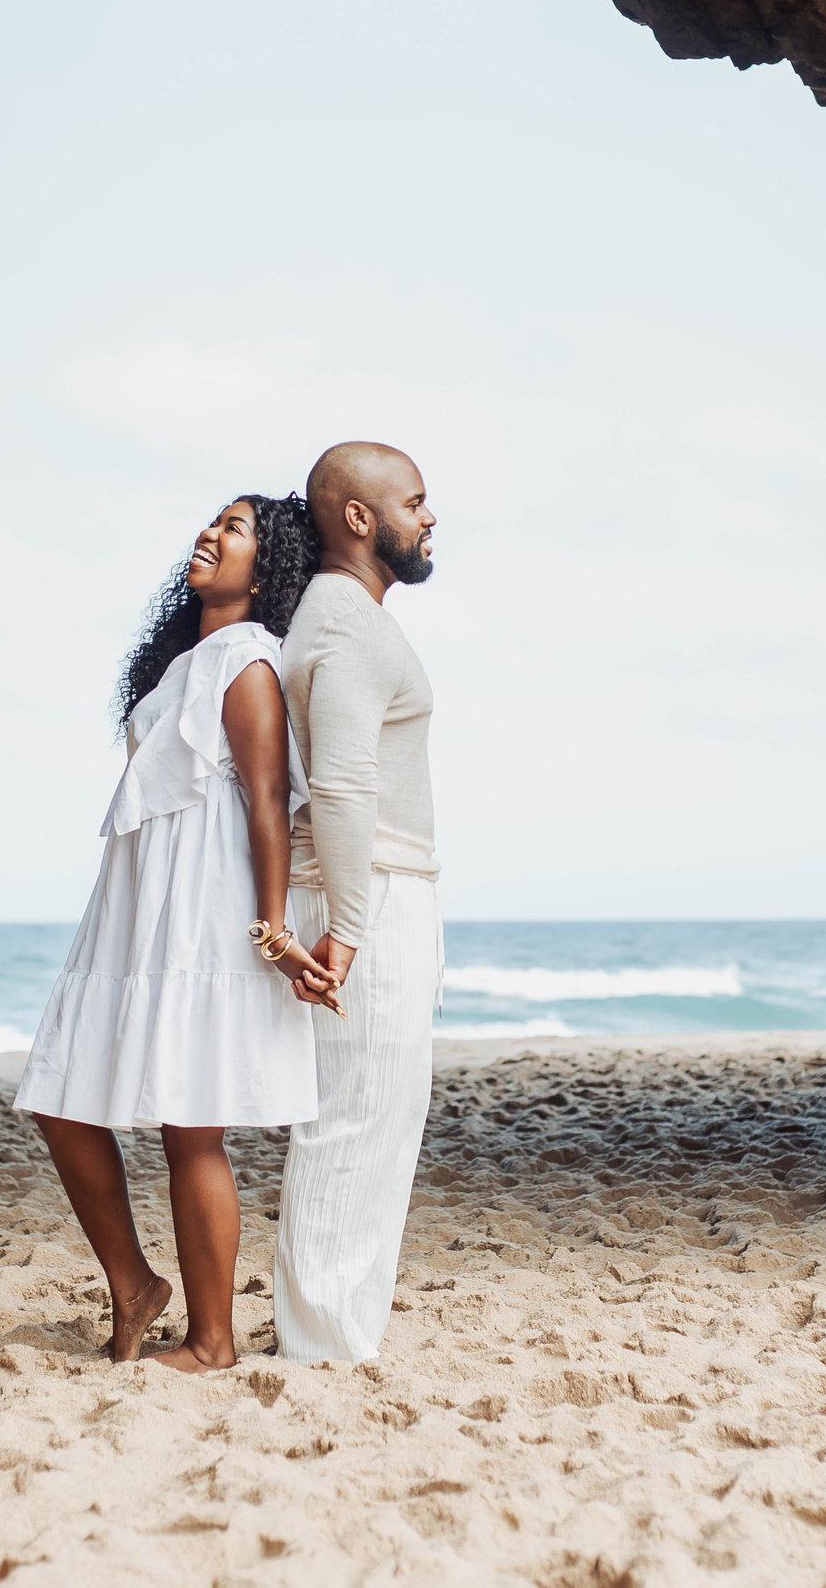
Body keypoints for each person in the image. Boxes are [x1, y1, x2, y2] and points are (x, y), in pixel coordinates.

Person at [15, 494, 339, 1371]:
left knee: (189, 1126)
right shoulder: (183, 665)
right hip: (134, 903)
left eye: (234, 528)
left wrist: (273, 929)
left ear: (267, 563)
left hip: (200, 907)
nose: (210, 534)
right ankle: (134, 1282)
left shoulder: (250, 663)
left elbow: (269, 801)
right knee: (59, 1094)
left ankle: (213, 1341)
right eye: (211, 522)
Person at [272, 442, 442, 1363]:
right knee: (356, 1114)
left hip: (371, 881)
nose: (430, 518)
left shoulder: (345, 617)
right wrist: (345, 928)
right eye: (415, 502)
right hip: (364, 884)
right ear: (359, 519)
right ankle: (322, 1342)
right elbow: (339, 781)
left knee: (377, 1114)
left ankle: (338, 1330)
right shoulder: (342, 623)